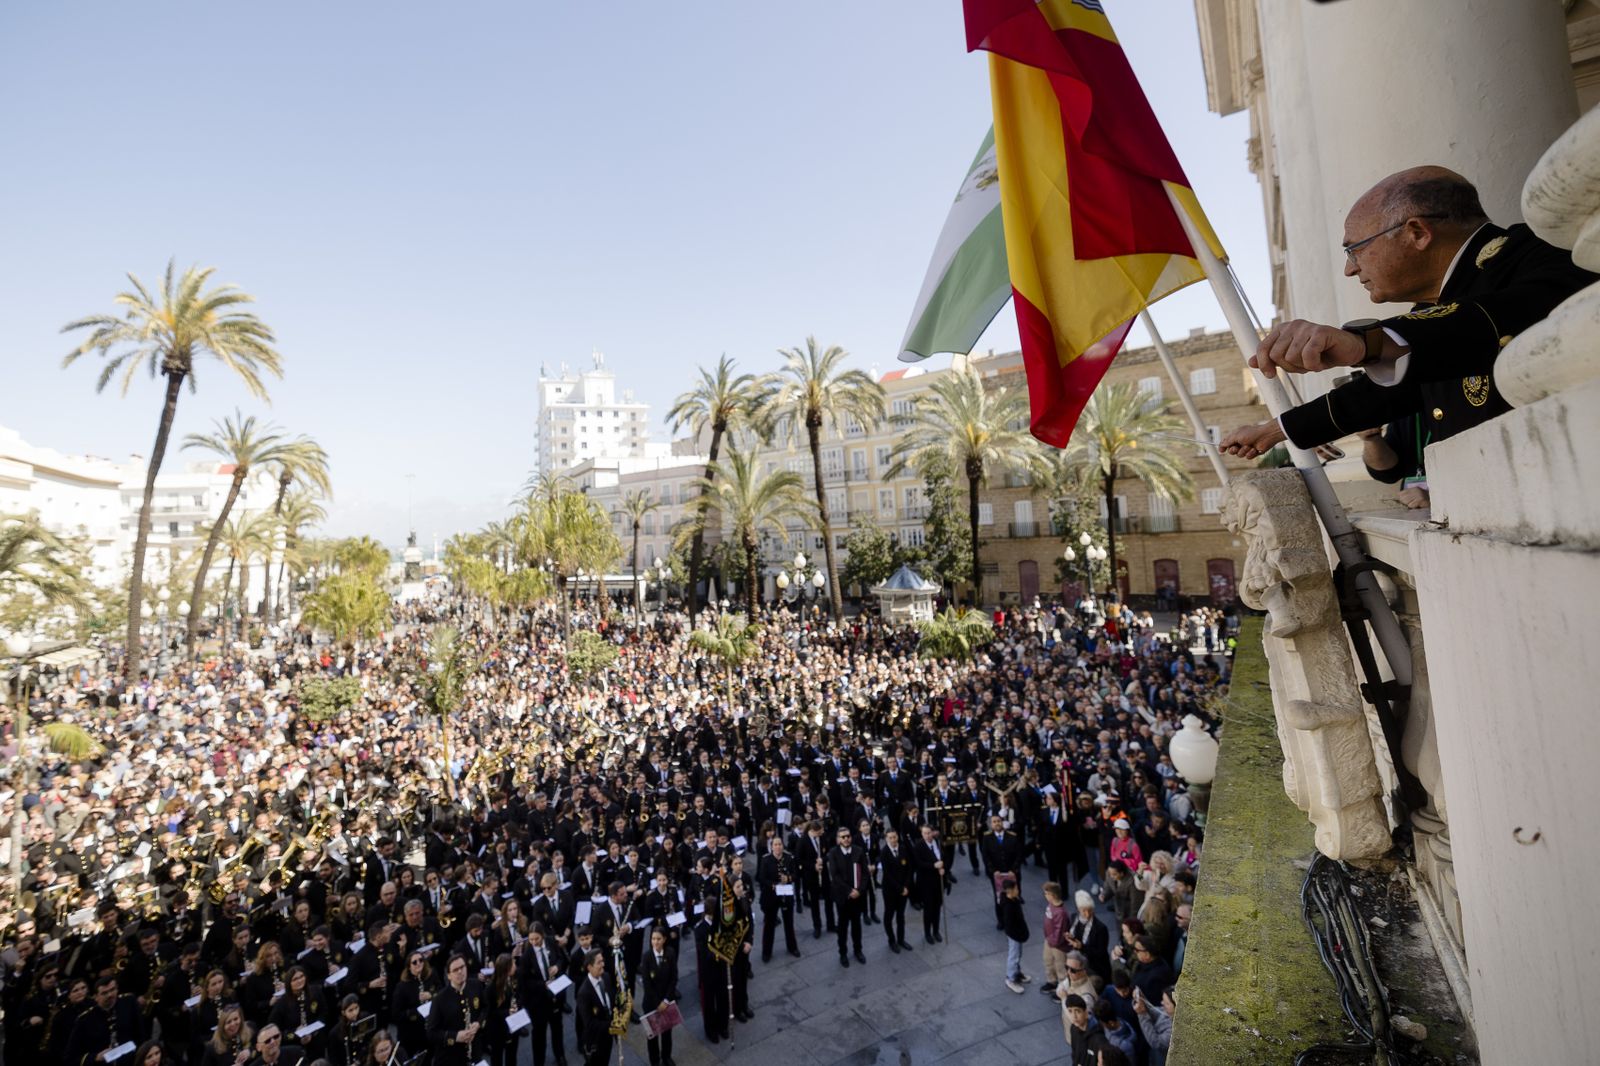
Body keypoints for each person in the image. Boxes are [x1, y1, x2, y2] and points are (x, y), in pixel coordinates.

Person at [1219, 166, 1597, 459]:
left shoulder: (1535, 253)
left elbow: (1514, 313)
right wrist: (1273, 431)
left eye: (1355, 249)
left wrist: (1366, 343)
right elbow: (1380, 395)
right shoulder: (1428, 313)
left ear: (1417, 232)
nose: (1350, 269)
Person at [426, 953, 486, 1066]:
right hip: (450, 1057)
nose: (460, 971)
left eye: (462, 967)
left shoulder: (476, 985)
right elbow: (431, 1033)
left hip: (475, 1051)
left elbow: (485, 1008)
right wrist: (456, 1036)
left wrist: (479, 1023)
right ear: (449, 976)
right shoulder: (439, 999)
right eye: (455, 970)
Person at [825, 826, 867, 967]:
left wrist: (859, 890)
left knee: (856, 926)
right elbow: (835, 876)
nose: (846, 839)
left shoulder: (858, 851)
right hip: (842, 897)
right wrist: (849, 891)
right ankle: (843, 953)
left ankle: (858, 950)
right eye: (843, 837)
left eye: (848, 836)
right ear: (838, 839)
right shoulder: (833, 853)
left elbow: (865, 873)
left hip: (857, 896)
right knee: (842, 927)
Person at [638, 927, 679, 1066]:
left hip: (666, 1001)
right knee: (652, 1036)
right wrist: (658, 1003)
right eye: (653, 939)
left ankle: (666, 1057)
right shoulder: (646, 957)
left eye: (658, 939)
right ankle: (655, 1061)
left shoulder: (670, 953)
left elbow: (673, 978)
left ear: (664, 939)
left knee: (667, 1032)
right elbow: (647, 984)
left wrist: (666, 1000)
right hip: (651, 1003)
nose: (655, 942)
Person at [756, 834, 800, 961]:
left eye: (780, 844)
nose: (778, 847)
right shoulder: (766, 860)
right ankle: (766, 952)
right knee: (769, 925)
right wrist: (773, 885)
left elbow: (796, 874)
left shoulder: (789, 858)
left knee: (789, 923)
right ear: (771, 847)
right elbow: (761, 877)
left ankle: (792, 947)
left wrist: (789, 878)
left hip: (786, 894)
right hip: (771, 896)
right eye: (775, 844)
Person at [877, 827, 915, 954]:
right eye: (890, 838)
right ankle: (892, 940)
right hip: (890, 890)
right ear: (886, 839)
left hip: (904, 889)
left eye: (895, 837)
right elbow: (888, 875)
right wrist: (900, 888)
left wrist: (906, 886)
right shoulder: (884, 852)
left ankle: (901, 939)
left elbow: (909, 868)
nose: (893, 840)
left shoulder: (903, 848)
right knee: (889, 915)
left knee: (901, 915)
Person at [574, 949, 614, 1066]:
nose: (603, 965)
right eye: (599, 962)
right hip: (595, 1040)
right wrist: (612, 1024)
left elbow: (611, 1001)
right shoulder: (583, 993)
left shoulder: (606, 977)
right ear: (589, 967)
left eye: (603, 961)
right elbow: (590, 1024)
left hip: (607, 1036)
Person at [911, 823, 948, 944]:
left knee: (937, 907)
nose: (927, 835)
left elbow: (944, 858)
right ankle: (928, 933)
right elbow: (918, 864)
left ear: (933, 832)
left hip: (938, 881)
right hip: (926, 883)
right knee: (928, 909)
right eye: (924, 833)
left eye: (929, 833)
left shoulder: (937, 842)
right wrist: (933, 866)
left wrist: (943, 868)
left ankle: (936, 930)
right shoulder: (918, 846)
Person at [998, 874, 1031, 994]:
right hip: (1014, 935)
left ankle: (1017, 973)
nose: (1018, 890)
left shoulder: (1014, 900)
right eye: (1016, 889)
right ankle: (1010, 978)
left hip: (1018, 933)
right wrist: (1018, 934)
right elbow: (1009, 926)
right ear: (1010, 891)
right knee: (1014, 955)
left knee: (1018, 954)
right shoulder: (1008, 907)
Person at [1040, 881, 1071, 995]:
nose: (1045, 895)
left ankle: (1063, 989)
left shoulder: (1061, 913)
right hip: (1049, 940)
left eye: (1046, 893)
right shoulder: (1050, 905)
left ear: (1052, 895)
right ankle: (1052, 981)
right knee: (1048, 961)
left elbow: (1060, 931)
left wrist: (1053, 942)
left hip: (1058, 945)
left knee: (1060, 966)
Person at [1134, 985, 1175, 1066]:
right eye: (1163, 1000)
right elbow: (1156, 1012)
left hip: (1162, 1057)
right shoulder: (1168, 1011)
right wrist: (1142, 1000)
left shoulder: (1173, 1031)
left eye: (1167, 1003)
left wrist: (1142, 1014)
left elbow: (1156, 1042)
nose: (1162, 1003)